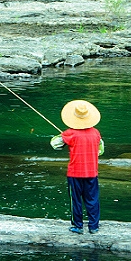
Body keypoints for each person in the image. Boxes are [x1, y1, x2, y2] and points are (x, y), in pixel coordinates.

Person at [50, 100, 104, 234]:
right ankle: (94, 226)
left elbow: (55, 144)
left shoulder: (70, 133)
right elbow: (100, 151)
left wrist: (62, 136)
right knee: (92, 199)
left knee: (76, 200)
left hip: (75, 173)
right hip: (92, 172)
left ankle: (78, 226)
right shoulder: (96, 133)